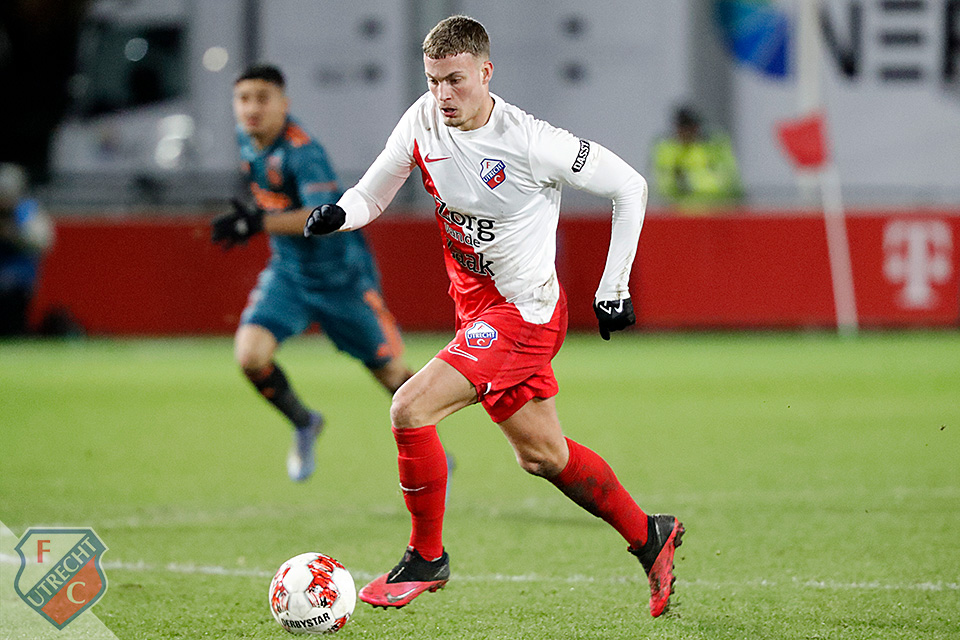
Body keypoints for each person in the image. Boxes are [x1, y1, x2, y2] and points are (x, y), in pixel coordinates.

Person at [305, 16, 684, 617]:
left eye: (455, 80)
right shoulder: (423, 119)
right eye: (433, 81)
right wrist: (341, 214)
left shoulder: (533, 143)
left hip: (523, 315)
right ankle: (649, 535)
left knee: (409, 408)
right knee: (543, 456)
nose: (442, 95)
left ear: (486, 72)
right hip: (476, 312)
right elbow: (373, 193)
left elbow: (630, 187)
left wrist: (613, 288)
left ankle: (426, 556)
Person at [211, 64, 414, 482]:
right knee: (250, 357)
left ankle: (429, 453)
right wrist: (259, 222)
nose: (252, 108)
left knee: (395, 378)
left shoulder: (304, 153)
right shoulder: (247, 141)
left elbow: (321, 216)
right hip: (289, 275)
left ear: (284, 104)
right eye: (243, 99)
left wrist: (258, 222)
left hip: (342, 281)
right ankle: (305, 423)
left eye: (262, 98)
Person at [651, 104, 743, 212]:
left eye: (691, 127)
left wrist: (689, 181)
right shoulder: (667, 149)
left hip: (716, 210)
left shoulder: (714, 145)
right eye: (683, 128)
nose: (687, 132)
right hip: (679, 212)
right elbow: (664, 184)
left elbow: (729, 179)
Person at [0, 163, 54, 336]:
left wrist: (14, 235)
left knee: (13, 327)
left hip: (18, 280)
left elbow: (43, 241)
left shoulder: (28, 210)